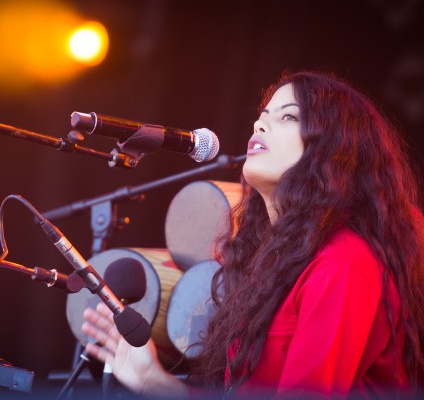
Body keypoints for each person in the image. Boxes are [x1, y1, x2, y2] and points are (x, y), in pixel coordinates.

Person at [82, 71, 424, 399]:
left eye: (287, 117)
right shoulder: (275, 262)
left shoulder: (343, 262)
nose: (260, 124)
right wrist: (153, 382)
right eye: (263, 115)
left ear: (334, 148)